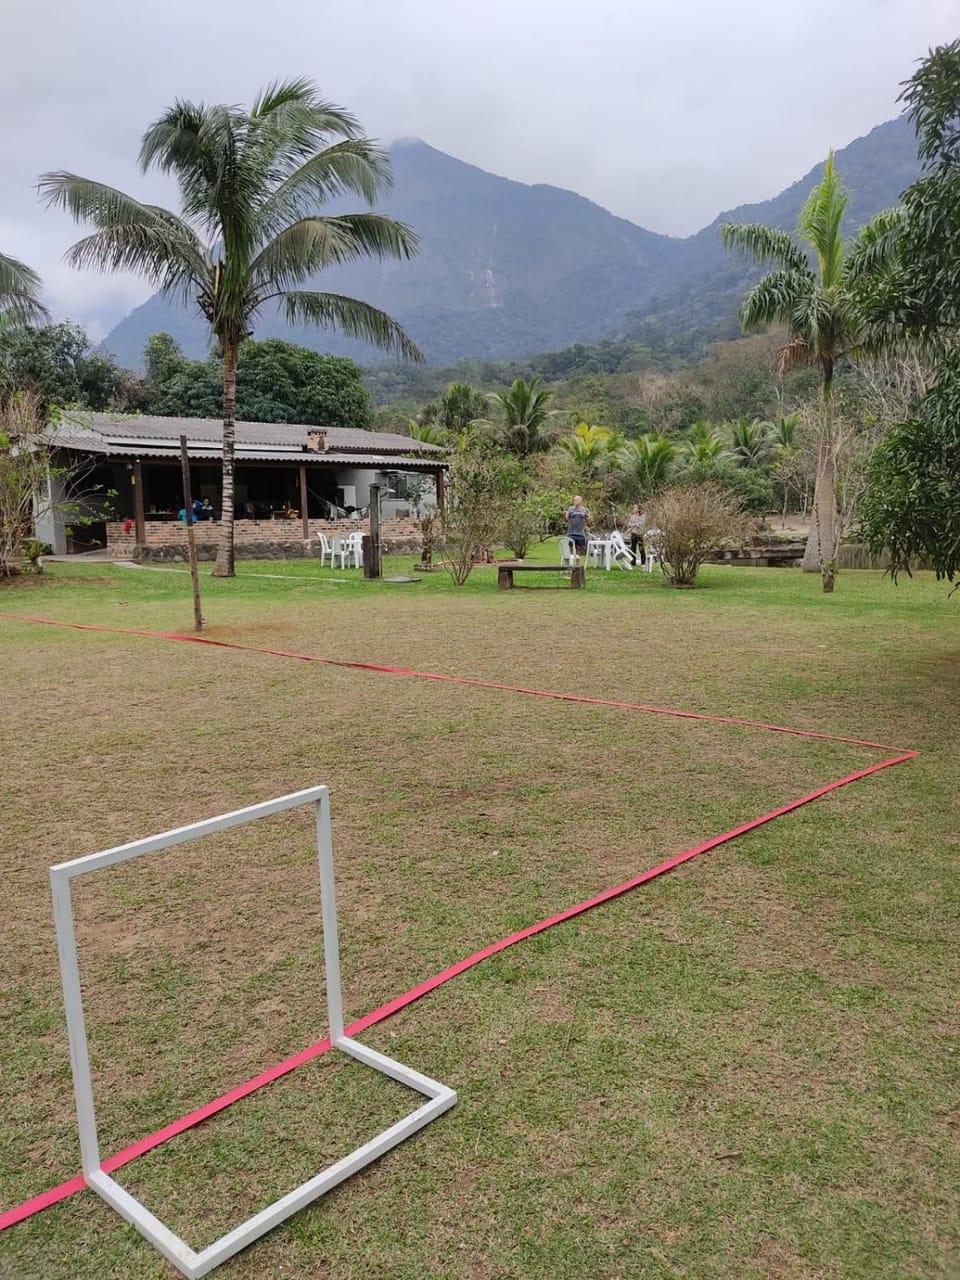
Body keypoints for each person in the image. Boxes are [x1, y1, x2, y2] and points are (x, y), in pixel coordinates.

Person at [564, 495, 590, 560]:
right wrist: (565, 515)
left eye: (576, 500)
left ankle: (577, 565)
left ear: (580, 501)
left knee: (579, 549)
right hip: (571, 533)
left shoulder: (585, 510)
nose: (575, 501)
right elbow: (566, 519)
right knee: (571, 548)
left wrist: (585, 517)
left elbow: (588, 520)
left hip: (580, 533)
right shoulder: (571, 509)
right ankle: (570, 563)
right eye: (574, 500)